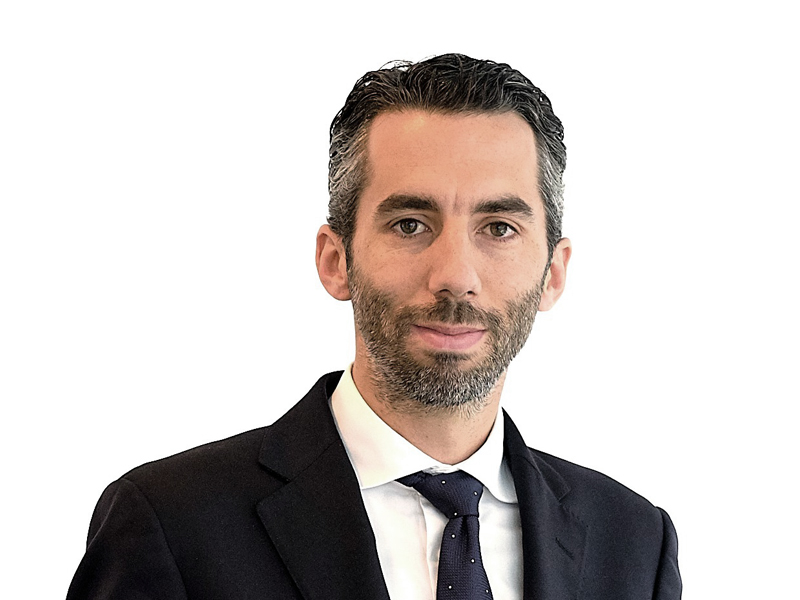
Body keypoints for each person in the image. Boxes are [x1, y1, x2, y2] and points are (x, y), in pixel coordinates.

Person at [67, 53, 681, 600]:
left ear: (553, 272)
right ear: (336, 261)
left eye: (499, 228)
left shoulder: (634, 542)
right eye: (410, 224)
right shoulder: (172, 526)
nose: (455, 276)